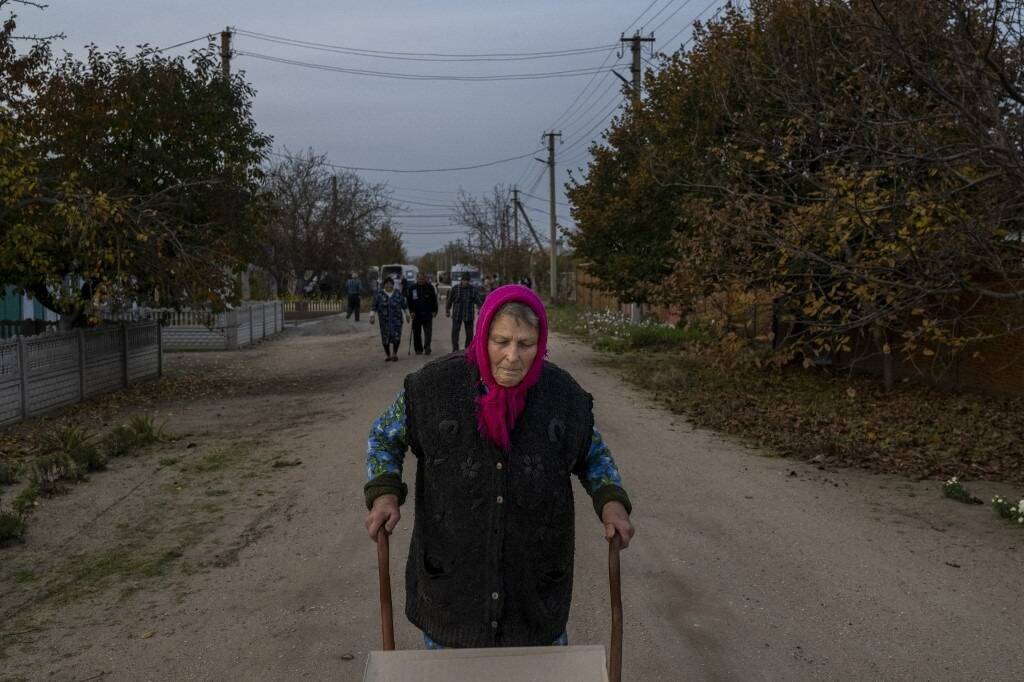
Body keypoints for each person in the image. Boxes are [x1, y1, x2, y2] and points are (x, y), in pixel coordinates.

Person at [364, 284, 634, 649]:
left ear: (541, 344)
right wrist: (385, 495)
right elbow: (385, 436)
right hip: (452, 594)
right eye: (500, 341)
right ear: (482, 334)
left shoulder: (561, 395)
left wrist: (611, 503)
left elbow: (594, 453)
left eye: (526, 344)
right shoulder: (433, 387)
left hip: (534, 596)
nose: (512, 356)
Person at [369, 277, 410, 362]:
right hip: (384, 321)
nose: (388, 285)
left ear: (393, 284)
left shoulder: (398, 293)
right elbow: (374, 307)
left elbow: (404, 305)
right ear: (384, 285)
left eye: (390, 283)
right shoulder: (379, 294)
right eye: (386, 283)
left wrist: (407, 315)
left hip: (397, 320)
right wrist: (372, 317)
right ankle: (388, 355)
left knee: (397, 336)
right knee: (385, 338)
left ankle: (395, 354)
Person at [445, 272, 483, 351]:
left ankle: (467, 350)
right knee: (455, 332)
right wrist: (447, 310)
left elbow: (478, 302)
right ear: (461, 280)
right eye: (464, 280)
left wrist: (481, 309)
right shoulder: (455, 288)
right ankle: (455, 349)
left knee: (469, 334)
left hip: (468, 315)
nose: (466, 282)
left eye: (467, 280)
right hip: (457, 314)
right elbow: (449, 300)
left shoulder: (473, 289)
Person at [406, 271, 438, 355]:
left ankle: (427, 347)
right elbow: (409, 301)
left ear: (426, 279)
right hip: (416, 314)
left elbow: (434, 300)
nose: (421, 280)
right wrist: (411, 311)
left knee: (428, 332)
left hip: (427, 313)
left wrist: (435, 311)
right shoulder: (412, 288)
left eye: (423, 279)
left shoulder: (430, 287)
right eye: (420, 279)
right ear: (417, 278)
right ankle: (418, 349)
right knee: (416, 333)